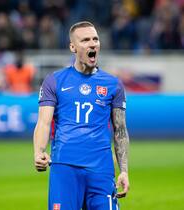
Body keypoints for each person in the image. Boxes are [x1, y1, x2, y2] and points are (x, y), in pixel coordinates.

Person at [33, 21, 130, 210]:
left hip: (101, 170)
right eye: (85, 40)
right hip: (65, 168)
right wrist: (39, 151)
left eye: (95, 39)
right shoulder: (54, 81)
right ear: (73, 47)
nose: (92, 44)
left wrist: (124, 170)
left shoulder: (113, 85)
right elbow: (44, 123)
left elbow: (120, 131)